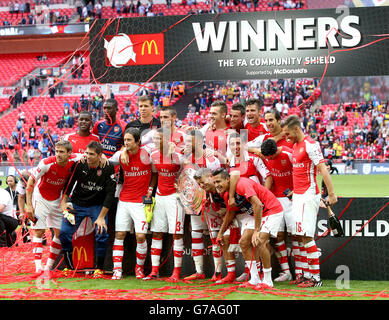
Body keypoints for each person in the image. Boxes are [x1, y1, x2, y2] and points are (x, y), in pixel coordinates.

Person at [282, 115, 337, 287]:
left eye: (288, 134)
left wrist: (332, 193)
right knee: (299, 235)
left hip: (308, 195)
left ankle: (316, 279)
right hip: (298, 196)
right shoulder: (296, 145)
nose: (286, 137)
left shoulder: (310, 144)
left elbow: (323, 169)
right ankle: (306, 275)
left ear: (296, 129)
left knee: (306, 236)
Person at [213, 169, 284, 289]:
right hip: (258, 214)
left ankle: (267, 280)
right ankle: (255, 278)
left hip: (272, 210)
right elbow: (230, 213)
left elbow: (258, 205)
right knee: (244, 243)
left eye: (218, 181)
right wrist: (220, 233)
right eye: (214, 182)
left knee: (259, 240)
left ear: (227, 179)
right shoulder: (226, 194)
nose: (216, 185)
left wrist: (256, 230)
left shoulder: (242, 184)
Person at [25, 140, 82, 276]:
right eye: (56, 151)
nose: (58, 154)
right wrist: (29, 206)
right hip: (41, 198)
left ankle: (48, 267)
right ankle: (38, 267)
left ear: (69, 153)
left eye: (61, 152)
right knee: (38, 231)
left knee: (59, 234)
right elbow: (31, 181)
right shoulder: (46, 163)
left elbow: (89, 155)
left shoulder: (75, 159)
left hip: (58, 200)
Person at [59, 141, 116, 273]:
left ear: (100, 155)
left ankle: (99, 268)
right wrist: (63, 203)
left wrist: (101, 217)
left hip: (97, 206)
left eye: (91, 154)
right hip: (77, 204)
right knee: (64, 233)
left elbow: (110, 194)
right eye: (86, 153)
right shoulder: (80, 164)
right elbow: (69, 184)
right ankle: (68, 267)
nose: (88, 156)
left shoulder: (108, 168)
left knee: (101, 233)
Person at [109, 128, 157, 280]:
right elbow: (105, 161)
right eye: (125, 140)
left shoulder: (148, 154)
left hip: (141, 202)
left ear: (138, 141)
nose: (126, 142)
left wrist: (150, 188)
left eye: (129, 140)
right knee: (120, 234)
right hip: (124, 200)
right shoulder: (121, 154)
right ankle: (117, 270)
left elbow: (155, 172)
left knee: (141, 236)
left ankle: (139, 268)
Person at [143, 128, 185, 282]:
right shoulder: (153, 155)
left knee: (177, 234)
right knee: (156, 232)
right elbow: (155, 173)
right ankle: (154, 271)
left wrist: (181, 186)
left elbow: (187, 171)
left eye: (159, 139)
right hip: (159, 196)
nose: (156, 142)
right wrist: (150, 190)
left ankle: (176, 272)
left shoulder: (178, 156)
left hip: (175, 198)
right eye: (155, 139)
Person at [181, 130, 223, 281]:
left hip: (211, 202)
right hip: (194, 202)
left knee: (215, 236)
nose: (186, 144)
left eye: (189, 141)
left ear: (199, 141)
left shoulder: (210, 158)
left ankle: (217, 273)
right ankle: (199, 271)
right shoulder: (187, 158)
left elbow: (217, 182)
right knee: (196, 234)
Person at [260, 138, 300, 282]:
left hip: (290, 199)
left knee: (295, 234)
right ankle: (287, 272)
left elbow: (302, 170)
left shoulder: (289, 154)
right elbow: (254, 150)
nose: (269, 159)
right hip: (275, 200)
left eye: (270, 157)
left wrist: (297, 189)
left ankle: (300, 273)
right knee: (278, 236)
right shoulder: (265, 154)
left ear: (276, 151)